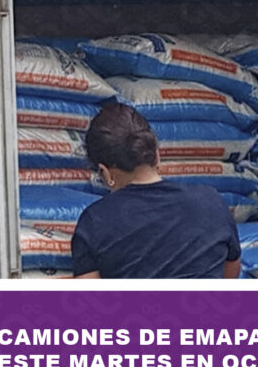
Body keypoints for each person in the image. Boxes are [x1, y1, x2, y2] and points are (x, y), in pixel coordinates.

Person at [71, 104, 241, 279]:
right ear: (157, 155)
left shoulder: (94, 221)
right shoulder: (211, 200)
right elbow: (230, 273)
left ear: (105, 172)